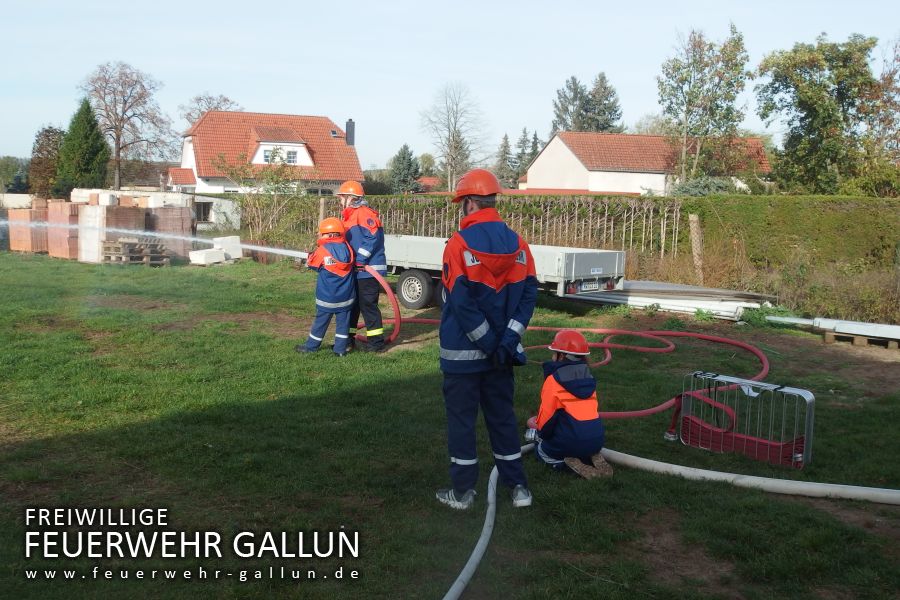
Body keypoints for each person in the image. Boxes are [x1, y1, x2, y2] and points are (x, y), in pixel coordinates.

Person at [435, 168, 538, 510]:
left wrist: (487, 342)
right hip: (502, 357)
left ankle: (463, 493)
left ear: (468, 204)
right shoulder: (520, 245)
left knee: (462, 424)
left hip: (463, 356)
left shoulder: (458, 244)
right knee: (503, 420)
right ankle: (519, 488)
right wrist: (506, 341)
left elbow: (462, 304)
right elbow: (527, 298)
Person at [525, 330, 612, 479]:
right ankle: (589, 456)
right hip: (596, 440)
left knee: (540, 451)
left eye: (554, 353)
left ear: (562, 355)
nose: (552, 357)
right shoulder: (589, 377)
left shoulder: (553, 380)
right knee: (576, 435)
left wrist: (541, 437)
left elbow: (546, 421)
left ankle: (563, 463)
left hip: (569, 442)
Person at [337, 180, 387, 353]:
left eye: (342, 197)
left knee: (367, 306)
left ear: (351, 197)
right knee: (352, 305)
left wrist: (361, 259)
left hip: (368, 270)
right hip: (356, 269)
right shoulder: (349, 216)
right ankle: (348, 340)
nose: (340, 200)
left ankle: (376, 343)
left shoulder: (363, 213)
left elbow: (373, 235)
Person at [295, 218, 356, 357]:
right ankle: (340, 351)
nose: (319, 235)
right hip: (346, 297)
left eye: (321, 233)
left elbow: (313, 265)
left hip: (327, 298)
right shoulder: (348, 248)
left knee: (320, 323)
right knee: (343, 325)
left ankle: (311, 347)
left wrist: (310, 256)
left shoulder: (322, 250)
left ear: (330, 234)